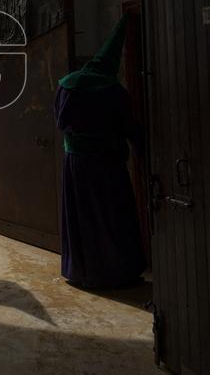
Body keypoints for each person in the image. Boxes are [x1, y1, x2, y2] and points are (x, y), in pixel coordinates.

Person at [54, 15, 146, 289]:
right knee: (112, 217)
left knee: (80, 217)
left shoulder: (66, 85)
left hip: (75, 164)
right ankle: (116, 271)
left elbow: (60, 122)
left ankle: (80, 270)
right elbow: (129, 127)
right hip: (106, 165)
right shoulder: (114, 91)